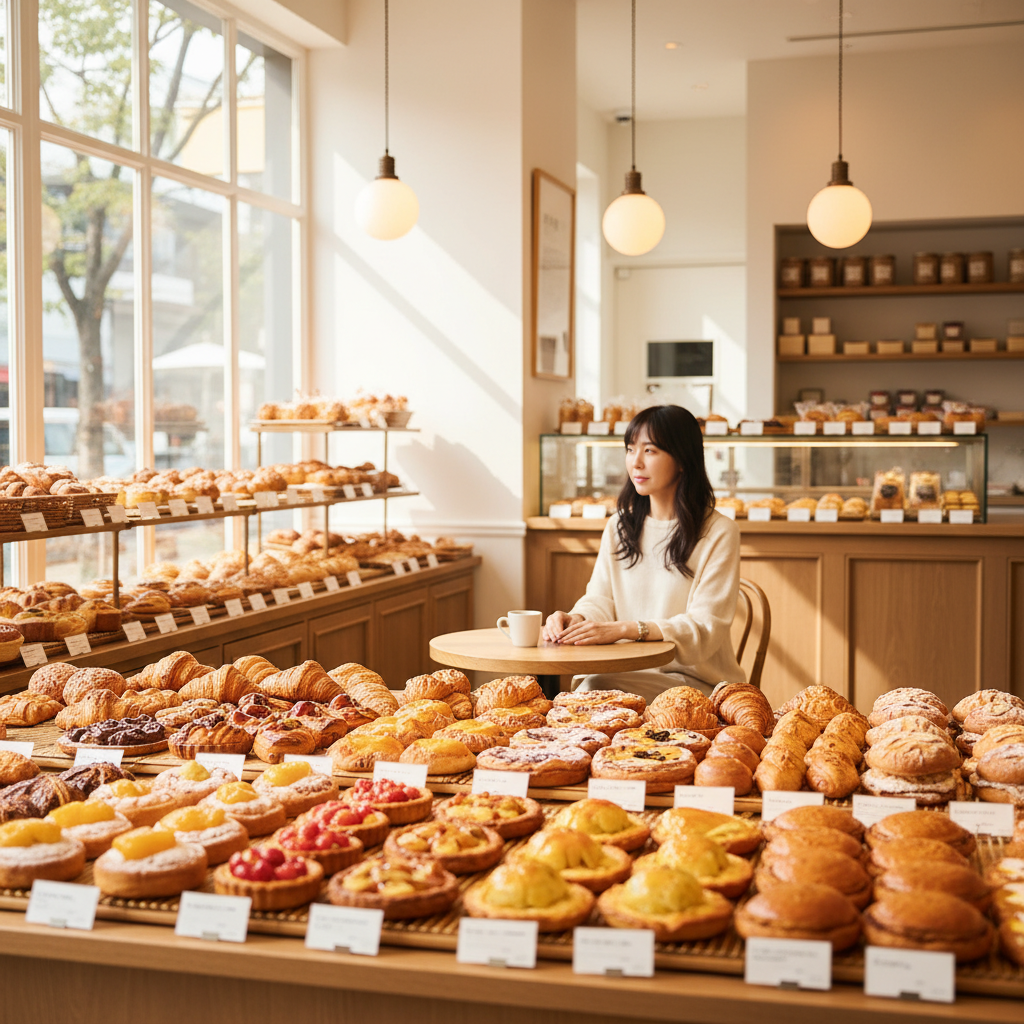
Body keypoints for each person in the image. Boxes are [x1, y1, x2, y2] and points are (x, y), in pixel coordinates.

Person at [543, 404, 744, 699]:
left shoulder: (719, 532)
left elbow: (705, 628)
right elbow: (600, 599)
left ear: (683, 460)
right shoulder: (619, 526)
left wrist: (627, 629)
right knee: (590, 691)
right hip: (622, 670)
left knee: (592, 691)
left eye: (650, 451)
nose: (635, 462)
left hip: (694, 682)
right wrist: (577, 619)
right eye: (630, 449)